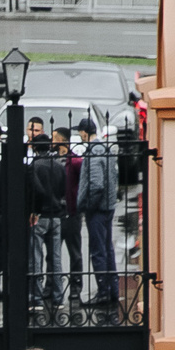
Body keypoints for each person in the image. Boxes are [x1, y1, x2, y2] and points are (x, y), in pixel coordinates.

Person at [72, 119, 119, 308]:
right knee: (107, 249)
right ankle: (112, 289)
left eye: (80, 133)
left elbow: (97, 184)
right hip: (108, 206)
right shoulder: (106, 150)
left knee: (99, 251)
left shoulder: (93, 153)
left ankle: (103, 292)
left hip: (97, 210)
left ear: (84, 133)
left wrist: (86, 205)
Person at [26, 119, 68, 312]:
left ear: (35, 148)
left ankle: (36, 298)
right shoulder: (59, 165)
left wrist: (33, 211)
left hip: (40, 215)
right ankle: (58, 297)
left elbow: (34, 191)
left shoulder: (34, 166)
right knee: (56, 258)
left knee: (36, 258)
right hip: (56, 215)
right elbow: (63, 190)